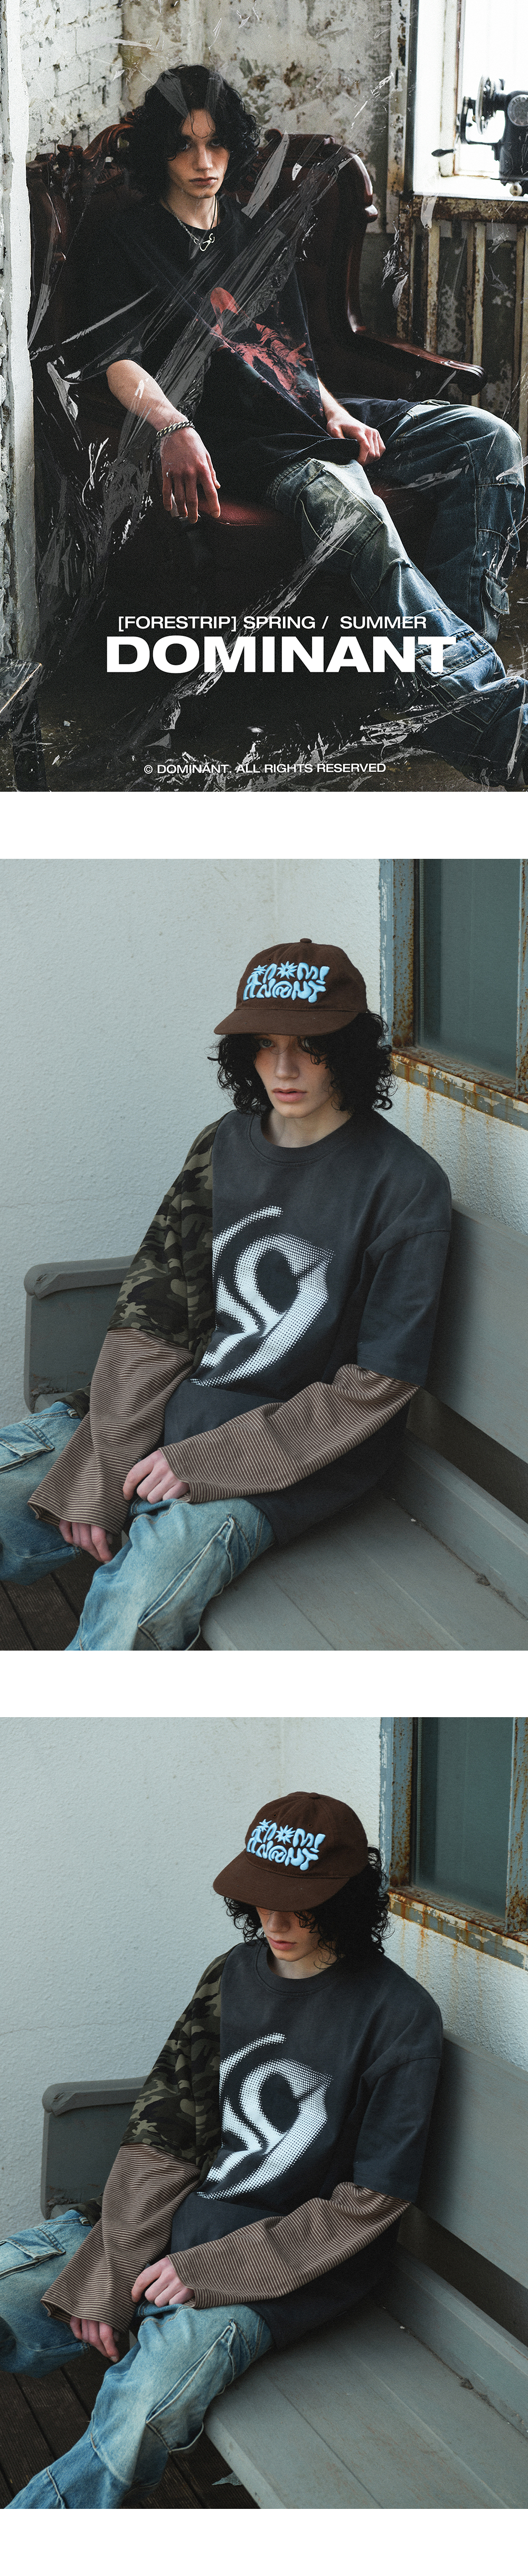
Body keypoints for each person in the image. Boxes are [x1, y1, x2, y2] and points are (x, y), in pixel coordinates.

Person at [70, 63, 528, 789]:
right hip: (243, 439)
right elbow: (115, 361)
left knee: (490, 441)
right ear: (161, 150)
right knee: (361, 520)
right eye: (185, 146)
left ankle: (449, 692)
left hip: (304, 414)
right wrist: (171, 425)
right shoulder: (130, 240)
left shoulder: (251, 234)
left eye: (217, 144)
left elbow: (291, 355)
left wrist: (337, 412)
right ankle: (499, 725)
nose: (204, 162)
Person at [0, 937, 452, 1650]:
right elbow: (154, 1320)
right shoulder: (223, 1145)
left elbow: (375, 1387)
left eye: (310, 1046)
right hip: (166, 1418)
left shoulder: (405, 1185)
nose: (284, 1068)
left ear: (350, 1050)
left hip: (285, 1463)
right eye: (265, 1045)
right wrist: (105, 1463)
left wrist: (202, 1464)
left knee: (137, 1605)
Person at [2, 1789, 444, 2508]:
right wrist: (112, 2268)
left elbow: (372, 2201)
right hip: (170, 2234)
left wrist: (208, 2270)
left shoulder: (400, 2015)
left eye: (303, 1905)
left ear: (348, 1900)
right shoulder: (231, 1974)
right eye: (264, 1899)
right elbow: (164, 2134)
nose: (277, 1922)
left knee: (143, 2407)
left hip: (281, 2275)